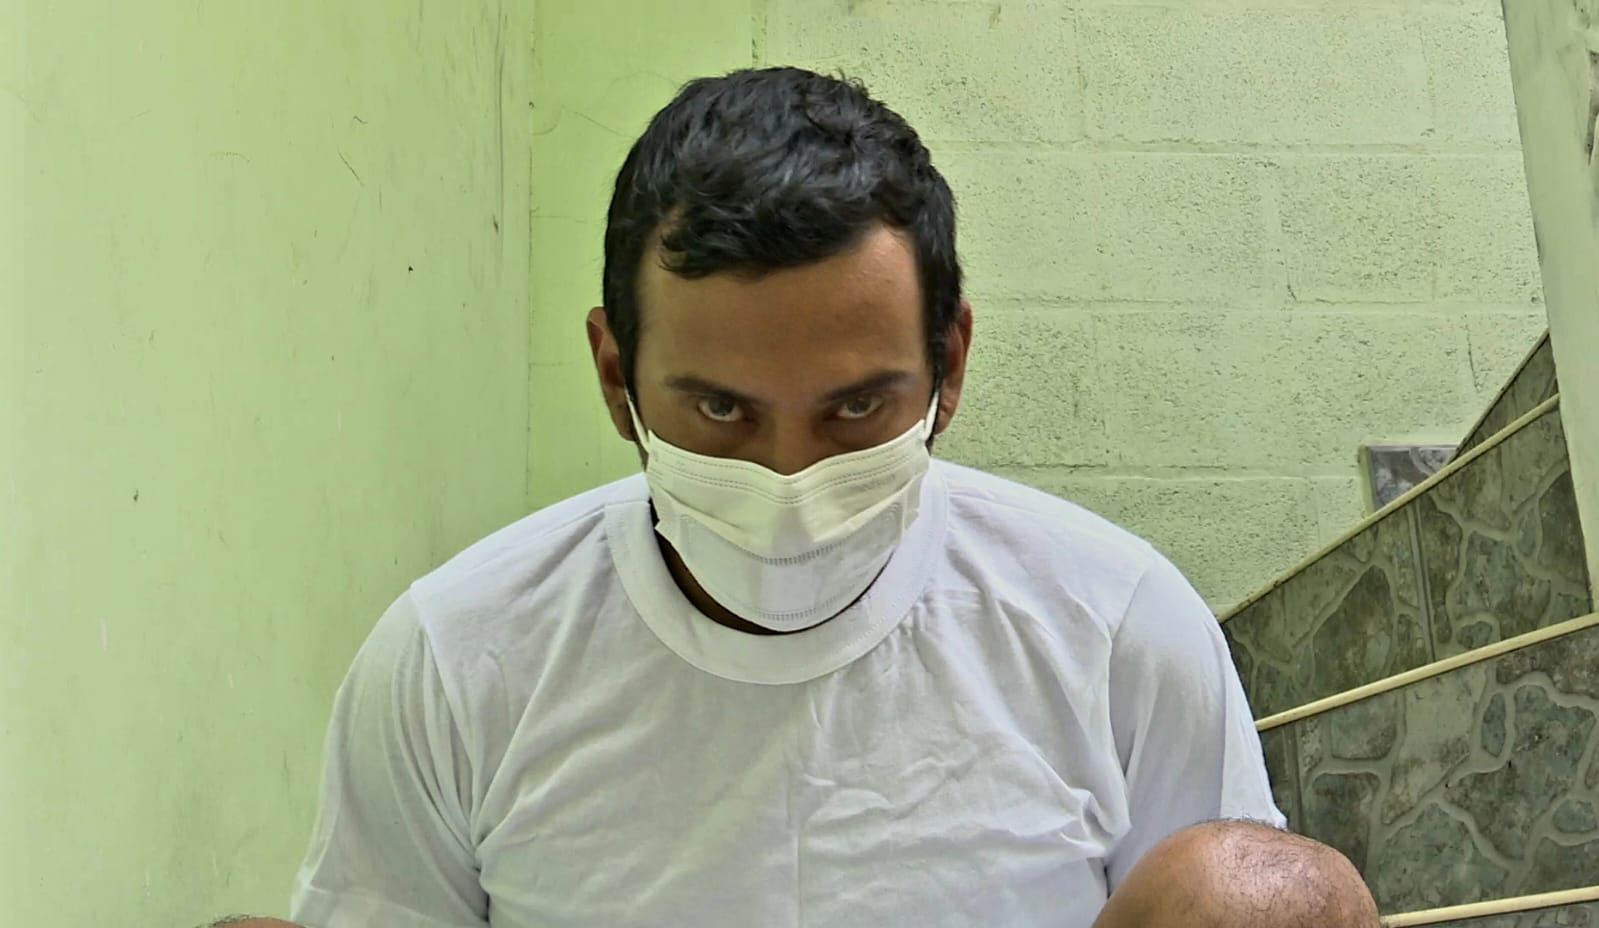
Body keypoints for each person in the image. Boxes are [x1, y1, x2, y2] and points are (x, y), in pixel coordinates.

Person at [211, 67, 1379, 928]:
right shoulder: (457, 658)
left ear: (949, 365)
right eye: (721, 410)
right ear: (615, 373)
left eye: (855, 408)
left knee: (1265, 892)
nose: (789, 484)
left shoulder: (1115, 630)